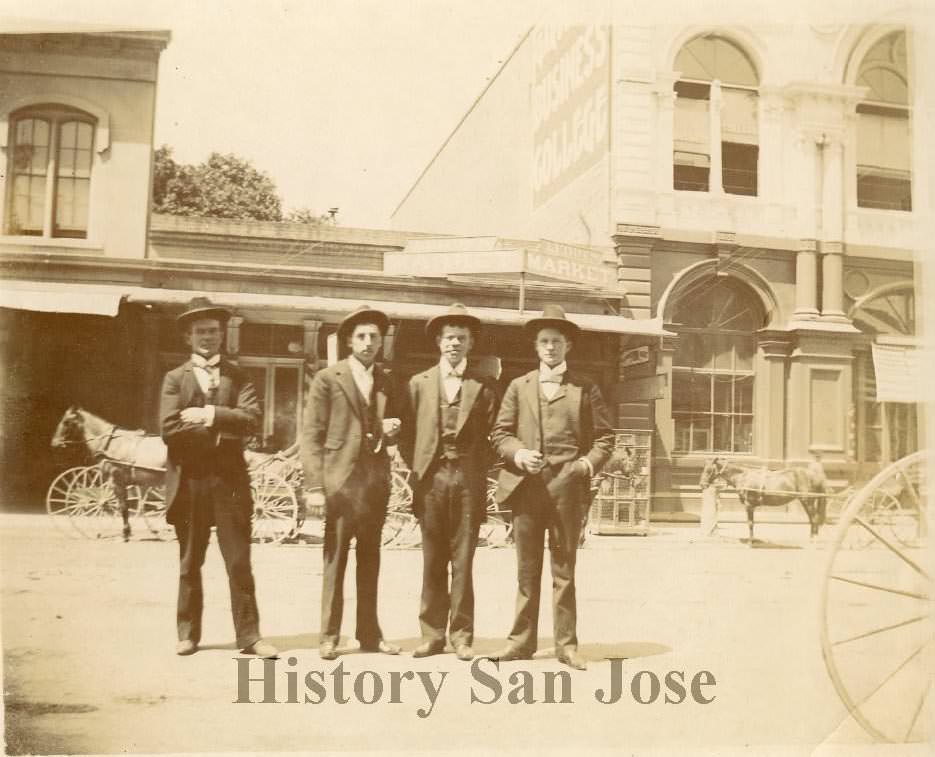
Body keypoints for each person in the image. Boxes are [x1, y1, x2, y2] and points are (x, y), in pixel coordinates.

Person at [489, 304, 614, 670]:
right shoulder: (517, 386)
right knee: (526, 570)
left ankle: (566, 646)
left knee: (564, 570)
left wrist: (583, 465)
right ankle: (520, 642)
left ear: (568, 345)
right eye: (544, 341)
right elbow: (500, 434)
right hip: (527, 490)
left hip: (567, 491)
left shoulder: (585, 387)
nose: (550, 347)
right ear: (535, 346)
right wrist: (517, 454)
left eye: (557, 341)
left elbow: (605, 438)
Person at [161, 296, 278, 658]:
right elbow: (169, 428)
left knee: (239, 560)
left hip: (230, 482)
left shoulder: (238, 375)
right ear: (188, 337)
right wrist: (223, 426)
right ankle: (187, 633)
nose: (207, 337)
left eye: (213, 330)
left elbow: (253, 419)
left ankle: (250, 636)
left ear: (222, 334)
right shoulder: (174, 379)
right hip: (190, 480)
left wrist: (207, 414)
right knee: (190, 560)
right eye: (200, 331)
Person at [397, 304, 500, 662]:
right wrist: (422, 465)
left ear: (470, 344)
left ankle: (462, 635)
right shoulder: (418, 384)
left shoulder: (484, 386)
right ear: (438, 343)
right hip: (431, 481)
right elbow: (406, 435)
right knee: (432, 560)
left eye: (461, 338)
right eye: (449, 337)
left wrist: (474, 469)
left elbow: (493, 436)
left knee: (464, 560)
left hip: (468, 481)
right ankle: (431, 634)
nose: (454, 343)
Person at [300, 305, 402, 661]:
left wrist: (392, 431)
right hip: (340, 483)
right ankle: (329, 635)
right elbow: (311, 435)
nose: (369, 342)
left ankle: (370, 635)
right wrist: (315, 486)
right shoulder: (328, 378)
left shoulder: (388, 379)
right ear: (348, 340)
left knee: (371, 560)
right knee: (336, 560)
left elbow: (389, 429)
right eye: (362, 336)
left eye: (375, 336)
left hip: (374, 484)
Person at [698, 457, 723, 538]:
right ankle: (710, 531)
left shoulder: (709, 470)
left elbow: (703, 483)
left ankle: (711, 530)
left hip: (709, 491)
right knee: (711, 510)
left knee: (711, 510)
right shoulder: (710, 469)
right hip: (710, 491)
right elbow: (704, 482)